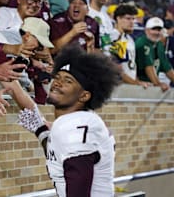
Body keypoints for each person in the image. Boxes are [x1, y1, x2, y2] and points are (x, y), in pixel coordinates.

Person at [16, 45, 120, 197]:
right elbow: (63, 156)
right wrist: (41, 131)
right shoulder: (73, 122)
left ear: (84, 96)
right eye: (57, 77)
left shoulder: (77, 124)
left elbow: (78, 185)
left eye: (68, 81)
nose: (57, 83)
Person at [110, 3, 149, 87]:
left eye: (133, 19)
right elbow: (116, 69)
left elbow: (130, 67)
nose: (132, 22)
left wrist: (137, 82)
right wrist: (136, 84)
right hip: (118, 87)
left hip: (129, 85)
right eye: (128, 18)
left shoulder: (129, 39)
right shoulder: (114, 38)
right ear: (118, 18)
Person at [135, 17, 174, 92]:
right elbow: (148, 67)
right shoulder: (142, 43)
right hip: (140, 84)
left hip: (149, 85)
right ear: (146, 30)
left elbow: (167, 67)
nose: (156, 32)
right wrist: (158, 84)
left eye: (159, 30)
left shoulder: (159, 44)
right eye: (153, 29)